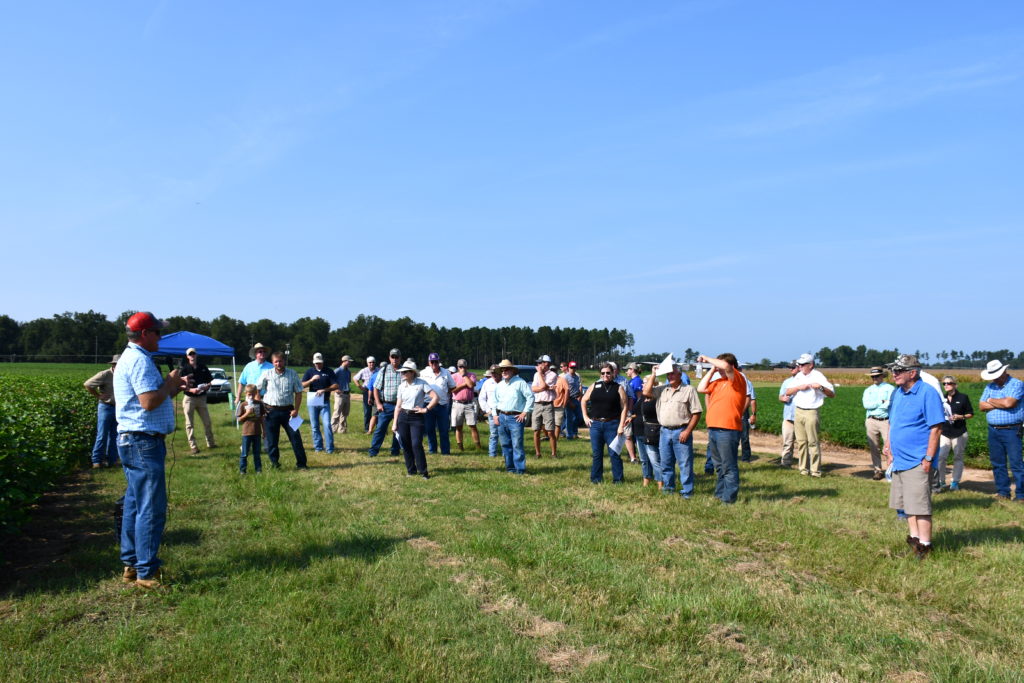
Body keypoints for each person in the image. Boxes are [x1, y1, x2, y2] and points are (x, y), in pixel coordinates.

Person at [114, 312, 187, 589]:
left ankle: (132, 565)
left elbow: (150, 400)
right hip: (143, 443)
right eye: (158, 331)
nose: (161, 336)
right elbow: (147, 402)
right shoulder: (140, 361)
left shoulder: (131, 358)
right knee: (150, 508)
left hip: (135, 441)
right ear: (145, 334)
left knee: (134, 504)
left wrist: (172, 388)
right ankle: (146, 572)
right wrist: (169, 382)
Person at [885, 355, 945, 560]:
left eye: (899, 371)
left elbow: (936, 428)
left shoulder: (927, 393)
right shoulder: (898, 393)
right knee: (907, 504)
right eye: (893, 370)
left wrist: (928, 458)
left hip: (917, 459)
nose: (894, 374)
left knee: (920, 505)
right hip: (900, 460)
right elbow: (892, 422)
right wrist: (888, 446)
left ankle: (926, 546)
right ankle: (914, 539)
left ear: (912, 373)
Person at [644, 363, 702, 498]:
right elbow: (646, 392)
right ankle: (668, 489)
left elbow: (696, 413)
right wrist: (653, 374)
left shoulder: (689, 390)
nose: (670, 376)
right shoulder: (662, 389)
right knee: (666, 463)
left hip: (681, 430)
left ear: (680, 375)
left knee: (685, 464)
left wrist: (687, 431)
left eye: (672, 373)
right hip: (664, 431)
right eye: (668, 374)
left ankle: (687, 492)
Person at [696, 353, 747, 504]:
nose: (718, 369)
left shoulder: (737, 380)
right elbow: (700, 388)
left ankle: (729, 499)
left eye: (719, 366)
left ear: (732, 366)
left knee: (729, 466)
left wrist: (706, 358)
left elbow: (725, 366)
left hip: (728, 429)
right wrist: (711, 371)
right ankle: (720, 494)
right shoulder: (718, 382)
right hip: (713, 429)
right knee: (718, 465)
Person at [978, 359, 1024, 501]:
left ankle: (1021, 495)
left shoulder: (1017, 384)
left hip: (1012, 429)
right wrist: (1000, 402)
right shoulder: (990, 386)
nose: (995, 378)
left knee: (1016, 463)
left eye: (997, 375)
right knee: (998, 463)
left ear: (1004, 372)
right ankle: (1003, 492)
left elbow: (1009, 403)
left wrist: (991, 400)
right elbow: (981, 406)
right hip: (994, 430)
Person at [785, 352, 835, 477]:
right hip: (799, 410)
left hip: (812, 411)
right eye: (799, 364)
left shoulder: (818, 376)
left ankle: (815, 470)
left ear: (811, 365)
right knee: (801, 442)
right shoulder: (798, 376)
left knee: (813, 442)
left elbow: (832, 394)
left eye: (802, 364)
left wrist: (820, 387)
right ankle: (803, 469)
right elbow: (788, 391)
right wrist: (798, 388)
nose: (800, 366)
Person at [258, 351, 309, 469]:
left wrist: (296, 410)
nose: (278, 363)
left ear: (284, 361)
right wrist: (261, 406)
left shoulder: (292, 374)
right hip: (270, 411)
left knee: (296, 439)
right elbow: (257, 389)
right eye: (276, 361)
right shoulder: (267, 374)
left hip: (289, 412)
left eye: (280, 361)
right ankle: (274, 464)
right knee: (272, 440)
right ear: (272, 362)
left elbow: (298, 393)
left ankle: (302, 464)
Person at [582, 362, 628, 484]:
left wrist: (621, 426)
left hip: (612, 424)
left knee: (614, 453)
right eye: (603, 373)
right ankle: (596, 479)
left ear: (613, 373)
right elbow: (584, 400)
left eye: (608, 373)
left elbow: (624, 408)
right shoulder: (594, 385)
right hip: (596, 425)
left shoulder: (619, 388)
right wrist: (585, 417)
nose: (605, 375)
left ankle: (618, 479)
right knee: (597, 454)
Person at [393, 360, 440, 479]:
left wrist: (426, 409)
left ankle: (423, 471)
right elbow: (398, 406)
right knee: (406, 444)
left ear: (412, 373)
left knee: (416, 444)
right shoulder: (401, 386)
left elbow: (435, 397)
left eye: (405, 372)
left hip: (416, 417)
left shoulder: (421, 383)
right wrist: (394, 423)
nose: (403, 374)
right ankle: (411, 470)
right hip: (403, 416)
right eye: (402, 371)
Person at [492, 359, 535, 474]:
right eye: (502, 370)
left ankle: (520, 469)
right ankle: (510, 468)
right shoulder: (499, 385)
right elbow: (493, 401)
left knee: (517, 444)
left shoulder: (520, 382)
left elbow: (530, 397)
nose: (504, 371)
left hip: (515, 418)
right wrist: (495, 415)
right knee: (505, 444)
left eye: (506, 369)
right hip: (502, 416)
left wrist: (525, 412)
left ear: (512, 371)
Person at [935, 375, 973, 492]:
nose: (946, 385)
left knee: (958, 457)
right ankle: (941, 481)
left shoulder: (963, 397)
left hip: (959, 432)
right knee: (941, 457)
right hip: (945, 432)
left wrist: (960, 416)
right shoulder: (942, 399)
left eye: (949, 383)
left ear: (955, 385)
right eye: (944, 383)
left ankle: (955, 482)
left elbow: (970, 414)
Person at [84, 354, 120, 468]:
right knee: (102, 434)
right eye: (117, 364)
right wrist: (98, 396)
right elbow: (88, 384)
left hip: (119, 408)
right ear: (113, 365)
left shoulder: (124, 375)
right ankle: (96, 461)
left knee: (115, 435)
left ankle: (112, 460)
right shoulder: (105, 374)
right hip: (106, 406)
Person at [179, 347, 217, 455]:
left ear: (196, 355)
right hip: (189, 398)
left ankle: (211, 443)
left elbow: (210, 381)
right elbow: (180, 385)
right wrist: (191, 389)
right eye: (190, 354)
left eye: (193, 354)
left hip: (201, 398)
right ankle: (193, 446)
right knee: (189, 424)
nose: (192, 356)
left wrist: (206, 387)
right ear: (187, 356)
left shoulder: (203, 367)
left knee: (207, 422)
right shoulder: (184, 369)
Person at [369, 349, 404, 457]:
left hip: (400, 406)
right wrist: (378, 404)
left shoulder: (405, 371)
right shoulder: (383, 370)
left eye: (396, 357)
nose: (394, 359)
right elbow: (375, 388)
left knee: (398, 430)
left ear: (400, 358)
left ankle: (395, 451)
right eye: (392, 357)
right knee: (380, 429)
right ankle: (373, 451)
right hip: (386, 405)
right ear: (389, 358)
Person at [862, 366, 895, 480]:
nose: (874, 378)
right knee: (874, 447)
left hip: (885, 421)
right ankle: (878, 470)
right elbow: (866, 405)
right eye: (873, 376)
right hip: (871, 420)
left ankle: (890, 470)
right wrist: (881, 402)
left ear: (882, 376)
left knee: (889, 447)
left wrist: (878, 405)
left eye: (876, 376)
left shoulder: (890, 389)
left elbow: (889, 404)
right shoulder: (868, 390)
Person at [420, 352, 456, 455]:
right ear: (429, 362)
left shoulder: (446, 373)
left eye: (436, 361)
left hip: (442, 405)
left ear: (439, 362)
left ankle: (445, 451)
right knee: (430, 429)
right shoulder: (423, 373)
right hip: (428, 404)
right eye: (432, 362)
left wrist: (445, 394)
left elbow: (452, 386)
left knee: (443, 429)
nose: (434, 364)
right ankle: (432, 450)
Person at [301, 353, 338, 454]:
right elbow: (302, 385)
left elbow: (335, 385)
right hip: (313, 401)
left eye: (320, 363)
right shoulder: (310, 371)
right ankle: (318, 447)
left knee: (327, 424)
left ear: (323, 362)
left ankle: (330, 448)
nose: (318, 365)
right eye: (316, 363)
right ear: (313, 363)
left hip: (325, 401)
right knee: (314, 426)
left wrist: (324, 390)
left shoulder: (329, 371)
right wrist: (311, 380)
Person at [531, 354, 559, 459]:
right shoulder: (536, 375)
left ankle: (553, 454)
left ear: (546, 364)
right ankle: (538, 454)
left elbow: (542, 385)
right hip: (537, 404)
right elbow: (533, 389)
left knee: (550, 431)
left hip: (548, 405)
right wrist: (545, 388)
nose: (538, 365)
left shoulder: (552, 375)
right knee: (536, 430)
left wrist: (539, 375)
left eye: (540, 363)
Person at [450, 359, 481, 451]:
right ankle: (460, 448)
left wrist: (464, 376)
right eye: (460, 367)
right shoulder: (453, 376)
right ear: (457, 367)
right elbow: (452, 390)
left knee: (473, 426)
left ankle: (478, 447)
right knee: (458, 427)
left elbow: (471, 385)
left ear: (466, 366)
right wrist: (464, 385)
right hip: (457, 404)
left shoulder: (472, 375)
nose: (462, 368)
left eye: (463, 366)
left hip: (469, 404)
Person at [235, 384, 264, 474]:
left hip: (257, 432)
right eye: (248, 394)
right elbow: (239, 419)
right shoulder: (243, 404)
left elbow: (262, 418)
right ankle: (242, 470)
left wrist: (264, 431)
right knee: (244, 453)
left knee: (257, 453)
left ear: (256, 393)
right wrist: (247, 413)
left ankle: (258, 469)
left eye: (252, 394)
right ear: (245, 393)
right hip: (246, 433)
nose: (250, 396)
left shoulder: (259, 404)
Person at [778, 362, 799, 467]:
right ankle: (785, 463)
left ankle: (805, 465)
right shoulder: (787, 382)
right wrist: (783, 398)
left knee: (804, 443)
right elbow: (780, 396)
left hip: (800, 417)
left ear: (799, 368)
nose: (791, 369)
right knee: (787, 443)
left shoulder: (805, 381)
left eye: (793, 367)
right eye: (790, 368)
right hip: (788, 417)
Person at [477, 366, 501, 457]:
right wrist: (487, 410)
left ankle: (505, 454)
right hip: (492, 412)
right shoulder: (487, 383)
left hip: (504, 412)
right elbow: (482, 398)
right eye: (492, 373)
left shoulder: (505, 382)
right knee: (494, 434)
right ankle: (492, 454)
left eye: (496, 372)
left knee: (504, 434)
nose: (494, 374)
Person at [331, 354, 354, 434]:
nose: (350, 363)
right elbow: (331, 381)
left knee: (345, 413)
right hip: (339, 395)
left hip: (347, 394)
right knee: (337, 412)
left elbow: (347, 382)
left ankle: (342, 430)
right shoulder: (337, 370)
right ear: (344, 361)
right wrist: (335, 389)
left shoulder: (348, 371)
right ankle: (332, 429)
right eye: (349, 361)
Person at [354, 356, 377, 433]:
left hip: (376, 392)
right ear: (367, 363)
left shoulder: (378, 370)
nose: (371, 364)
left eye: (373, 362)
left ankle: (378, 429)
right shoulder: (363, 370)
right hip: (367, 391)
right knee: (367, 410)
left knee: (377, 411)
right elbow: (355, 378)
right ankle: (367, 428)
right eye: (370, 362)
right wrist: (359, 386)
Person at [563, 361, 583, 439]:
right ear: (568, 368)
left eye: (574, 367)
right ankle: (569, 435)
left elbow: (579, 387)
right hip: (569, 399)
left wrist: (579, 396)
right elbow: (565, 391)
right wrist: (568, 401)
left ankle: (573, 432)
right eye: (571, 367)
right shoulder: (566, 377)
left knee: (579, 417)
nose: (573, 369)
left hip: (576, 399)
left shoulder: (577, 377)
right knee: (569, 418)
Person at [739, 373, 757, 462]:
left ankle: (745, 458)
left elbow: (752, 400)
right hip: (731, 409)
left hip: (743, 411)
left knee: (744, 436)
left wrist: (753, 414)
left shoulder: (747, 383)